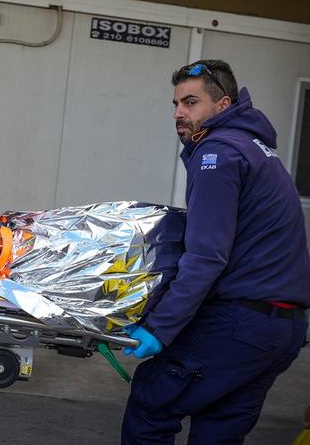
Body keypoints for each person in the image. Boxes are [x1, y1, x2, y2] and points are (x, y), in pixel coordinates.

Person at [121, 59, 310, 443]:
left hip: (240, 323)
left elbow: (207, 256)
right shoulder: (255, 149)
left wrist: (159, 326)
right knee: (218, 429)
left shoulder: (218, 153)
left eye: (191, 102)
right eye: (176, 103)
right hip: (282, 329)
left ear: (223, 105)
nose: (179, 112)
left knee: (152, 403)